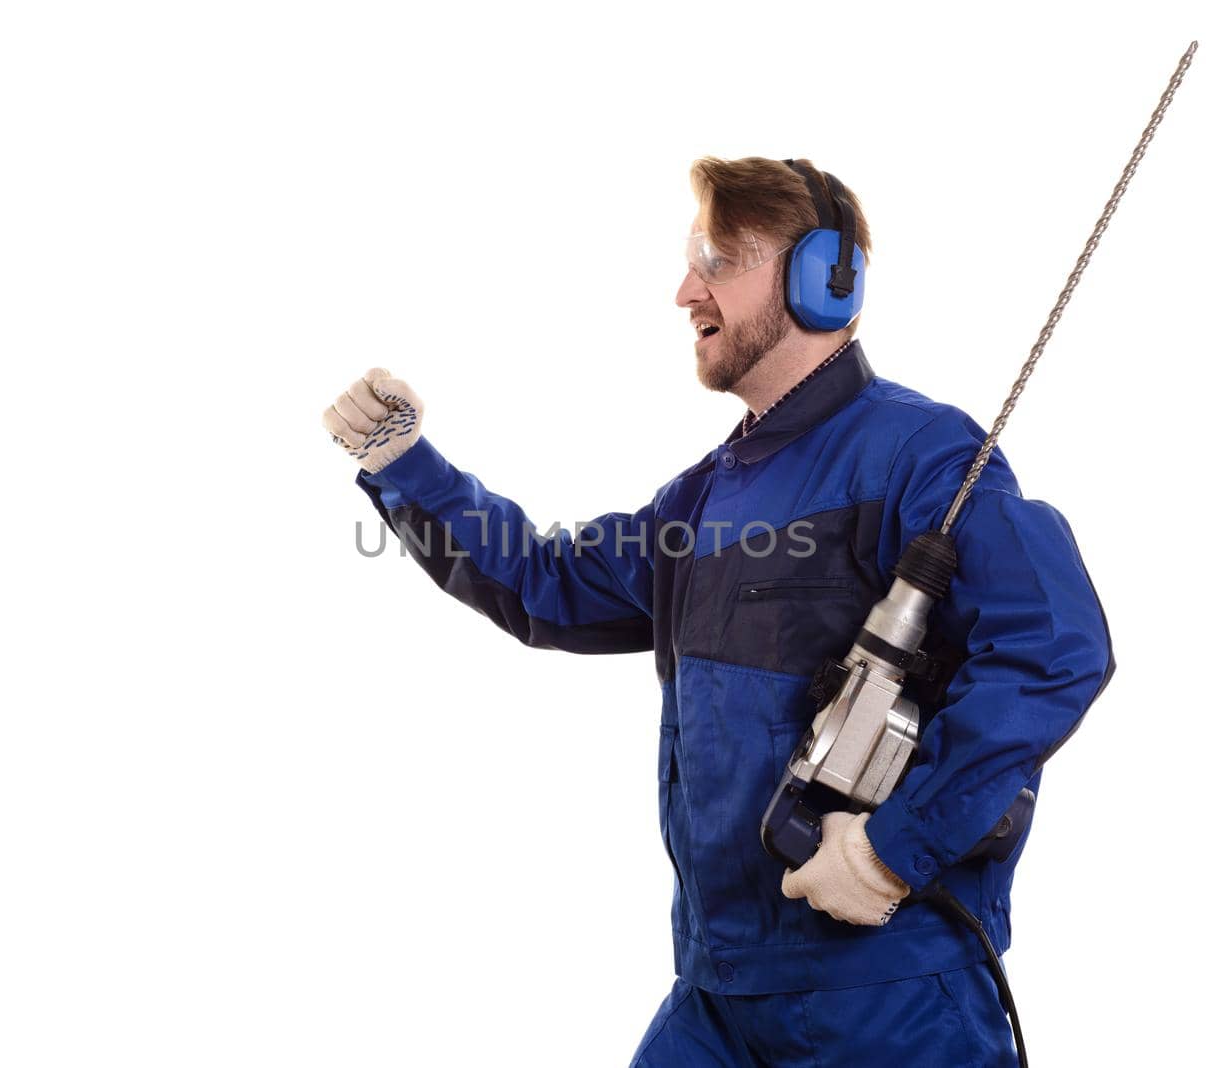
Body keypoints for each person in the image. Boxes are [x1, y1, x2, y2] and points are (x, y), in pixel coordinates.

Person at [322, 156, 1115, 1067]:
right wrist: (408, 467)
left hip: (888, 997)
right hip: (717, 993)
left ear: (826, 280)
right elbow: (545, 584)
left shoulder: (924, 455)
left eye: (720, 259)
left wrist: (894, 848)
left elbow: (1053, 646)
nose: (684, 290)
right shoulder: (699, 501)